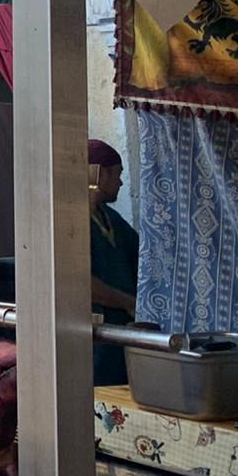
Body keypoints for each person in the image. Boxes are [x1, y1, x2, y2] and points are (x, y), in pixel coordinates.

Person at [89, 139, 141, 387]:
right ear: (99, 173)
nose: (120, 182)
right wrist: (127, 301)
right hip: (94, 337)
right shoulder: (70, 222)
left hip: (122, 337)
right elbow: (77, 282)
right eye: (117, 174)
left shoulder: (111, 219)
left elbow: (144, 257)